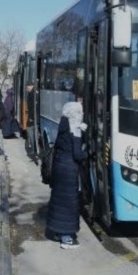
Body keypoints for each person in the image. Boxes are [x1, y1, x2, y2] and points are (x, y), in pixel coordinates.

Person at [45, 102, 89, 249]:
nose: (81, 114)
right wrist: (88, 153)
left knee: (59, 201)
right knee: (68, 204)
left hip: (59, 168)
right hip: (69, 171)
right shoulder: (75, 130)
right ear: (75, 114)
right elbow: (77, 154)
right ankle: (67, 238)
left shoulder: (63, 125)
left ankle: (57, 232)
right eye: (80, 112)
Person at [25, 81, 38, 153]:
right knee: (31, 131)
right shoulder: (32, 93)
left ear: (31, 86)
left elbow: (33, 107)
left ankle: (34, 148)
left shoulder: (33, 94)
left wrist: (31, 117)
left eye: (27, 88)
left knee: (30, 131)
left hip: (33, 117)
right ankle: (33, 147)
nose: (27, 89)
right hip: (32, 116)